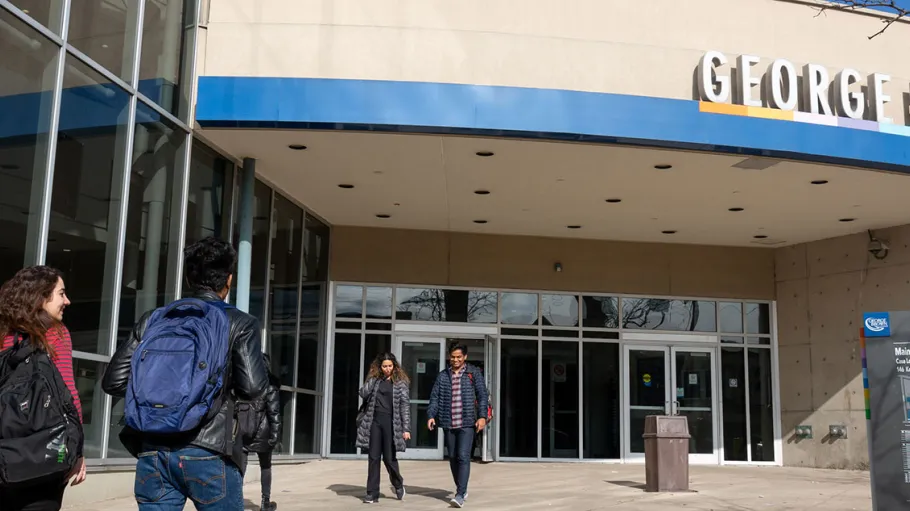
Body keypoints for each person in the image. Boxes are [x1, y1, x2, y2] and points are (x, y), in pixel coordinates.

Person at [102, 237, 269, 510]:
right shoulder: (240, 322)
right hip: (210, 449)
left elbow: (114, 381)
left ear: (189, 279)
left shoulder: (154, 319)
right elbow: (252, 387)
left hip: (153, 447)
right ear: (228, 280)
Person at [0, 266, 86, 511]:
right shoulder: (55, 333)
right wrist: (76, 451)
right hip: (44, 453)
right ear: (41, 297)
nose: (67, 301)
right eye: (61, 293)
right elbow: (68, 394)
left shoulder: (2, 333)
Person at [427, 343, 489, 508]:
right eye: (453, 357)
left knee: (463, 456)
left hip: (467, 423)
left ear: (465, 357)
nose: (455, 360)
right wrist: (431, 415)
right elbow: (434, 398)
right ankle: (461, 487)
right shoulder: (443, 376)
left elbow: (483, 395)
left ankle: (460, 493)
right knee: (453, 457)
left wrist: (482, 417)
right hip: (448, 422)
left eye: (459, 357)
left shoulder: (473, 374)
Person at [356, 352, 411, 504]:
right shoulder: (375, 380)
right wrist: (373, 378)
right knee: (373, 457)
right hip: (374, 421)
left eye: (390, 366)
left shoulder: (400, 383)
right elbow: (363, 393)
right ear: (380, 367)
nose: (387, 369)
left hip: (391, 423)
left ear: (394, 366)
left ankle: (398, 483)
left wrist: (406, 429)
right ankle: (372, 493)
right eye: (384, 366)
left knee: (389, 458)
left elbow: (404, 406)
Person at [239, 353, 282, 511]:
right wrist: (275, 435)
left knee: (240, 468)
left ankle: (235, 502)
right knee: (265, 466)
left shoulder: (244, 384)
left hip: (243, 432)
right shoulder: (270, 386)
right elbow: (274, 413)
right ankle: (265, 503)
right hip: (264, 433)